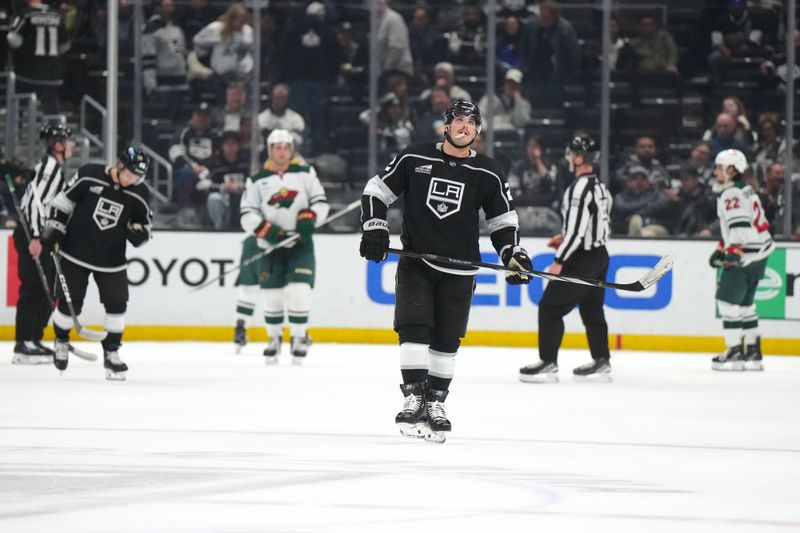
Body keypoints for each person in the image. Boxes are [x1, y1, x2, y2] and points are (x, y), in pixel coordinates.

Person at [359, 99, 532, 443]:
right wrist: (375, 226)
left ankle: (436, 401)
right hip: (417, 260)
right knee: (414, 327)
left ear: (478, 131)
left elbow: (502, 221)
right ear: (446, 126)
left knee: (447, 341)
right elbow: (376, 190)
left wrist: (513, 253)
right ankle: (413, 397)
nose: (465, 126)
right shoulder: (415, 157)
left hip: (461, 268)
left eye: (471, 122)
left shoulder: (489, 171)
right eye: (458, 120)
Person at [40, 147, 153, 381]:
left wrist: (140, 233)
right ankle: (61, 340)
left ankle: (111, 352)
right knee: (71, 304)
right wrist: (55, 229)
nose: (132, 180)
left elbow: (144, 225)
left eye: (137, 177)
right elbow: (62, 203)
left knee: (117, 305)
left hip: (111, 259)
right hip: (75, 253)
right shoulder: (89, 173)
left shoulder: (139, 193)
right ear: (120, 165)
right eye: (130, 174)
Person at [519, 135, 613, 383]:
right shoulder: (601, 188)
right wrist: (564, 236)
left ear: (580, 158)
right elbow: (598, 225)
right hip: (600, 255)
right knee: (592, 309)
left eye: (572, 154)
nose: (569, 158)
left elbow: (577, 232)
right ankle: (602, 360)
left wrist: (559, 259)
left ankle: (548, 362)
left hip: (582, 258)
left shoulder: (578, 189)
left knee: (549, 308)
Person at [238, 129, 329, 365]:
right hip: (269, 245)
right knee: (273, 294)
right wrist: (265, 230)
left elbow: (320, 203)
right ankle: (274, 339)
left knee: (300, 291)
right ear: (269, 150)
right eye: (276, 147)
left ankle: (299, 339)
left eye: (285, 147)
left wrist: (310, 217)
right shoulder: (257, 179)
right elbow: (247, 213)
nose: (281, 151)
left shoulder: (306, 173)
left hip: (300, 243)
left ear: (291, 150)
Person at [12, 122, 73, 364]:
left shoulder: (53, 167)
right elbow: (34, 205)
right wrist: (37, 237)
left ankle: (33, 339)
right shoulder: (49, 169)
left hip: (39, 235)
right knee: (33, 289)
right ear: (57, 144)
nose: (72, 145)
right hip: (32, 235)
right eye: (68, 140)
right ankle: (23, 344)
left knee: (45, 288)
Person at [708, 149, 774, 371]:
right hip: (760, 253)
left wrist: (731, 253)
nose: (715, 171)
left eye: (719, 167)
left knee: (726, 302)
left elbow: (741, 229)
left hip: (746, 255)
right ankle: (754, 352)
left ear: (731, 169)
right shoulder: (746, 190)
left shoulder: (731, 194)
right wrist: (723, 246)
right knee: (746, 304)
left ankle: (734, 350)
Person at [6, 0, 71, 115]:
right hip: (53, 72)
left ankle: (19, 130)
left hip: (28, 71)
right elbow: (65, 44)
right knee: (51, 108)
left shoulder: (25, 14)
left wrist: (25, 49)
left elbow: (12, 38)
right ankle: (54, 130)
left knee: (20, 105)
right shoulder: (57, 16)